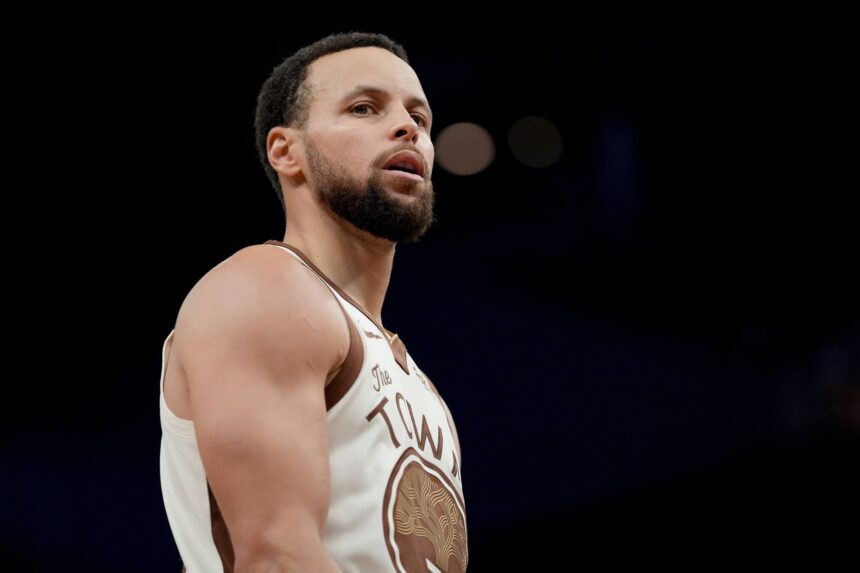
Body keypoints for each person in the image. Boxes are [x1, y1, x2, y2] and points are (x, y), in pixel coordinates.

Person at [158, 32, 468, 572]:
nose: (407, 129)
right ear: (286, 152)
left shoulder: (413, 376)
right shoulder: (265, 287)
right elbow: (277, 558)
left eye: (420, 118)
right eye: (364, 108)